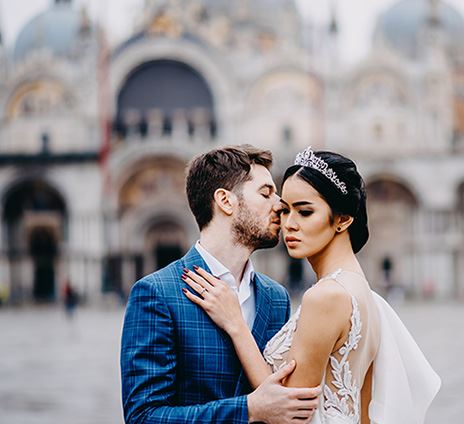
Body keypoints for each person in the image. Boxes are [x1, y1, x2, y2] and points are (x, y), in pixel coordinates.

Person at [182, 146, 441, 424]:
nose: (288, 225)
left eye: (305, 212)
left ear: (342, 219)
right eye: (285, 211)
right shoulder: (363, 292)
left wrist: (235, 324)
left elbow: (288, 413)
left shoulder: (326, 296)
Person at [120, 145, 321, 424]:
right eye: (266, 193)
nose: (280, 205)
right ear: (226, 201)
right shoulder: (157, 293)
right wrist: (248, 409)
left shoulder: (276, 297)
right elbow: (143, 417)